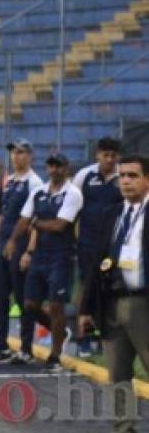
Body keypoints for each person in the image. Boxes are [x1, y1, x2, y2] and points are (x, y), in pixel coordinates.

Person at [78, 154, 149, 433]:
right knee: (118, 377)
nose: (126, 181)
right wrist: (85, 308)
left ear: (147, 179)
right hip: (112, 303)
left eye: (133, 175)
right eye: (122, 176)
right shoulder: (112, 214)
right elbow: (97, 263)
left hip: (143, 303)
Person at [4, 153, 83, 372]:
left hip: (61, 255)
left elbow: (60, 226)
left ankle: (55, 355)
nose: (54, 170)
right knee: (30, 305)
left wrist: (36, 222)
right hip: (40, 254)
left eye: (58, 166)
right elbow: (23, 219)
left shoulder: (72, 193)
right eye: (51, 166)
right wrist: (13, 240)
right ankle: (59, 330)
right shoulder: (38, 192)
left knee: (56, 305)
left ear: (66, 168)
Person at [0, 139, 48, 365]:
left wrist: (29, 250)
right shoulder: (8, 181)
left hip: (21, 242)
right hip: (3, 242)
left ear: (29, 156)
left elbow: (36, 219)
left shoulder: (34, 182)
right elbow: (2, 216)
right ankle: (1, 346)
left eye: (20, 153)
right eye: (13, 153)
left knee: (23, 296)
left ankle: (27, 347)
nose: (16, 157)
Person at [73, 137, 122, 355]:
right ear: (97, 154)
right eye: (105, 155)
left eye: (113, 155)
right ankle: (83, 337)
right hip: (87, 244)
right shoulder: (84, 176)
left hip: (113, 246)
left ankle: (105, 337)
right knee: (86, 288)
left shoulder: (124, 177)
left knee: (109, 289)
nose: (109, 159)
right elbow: (72, 208)